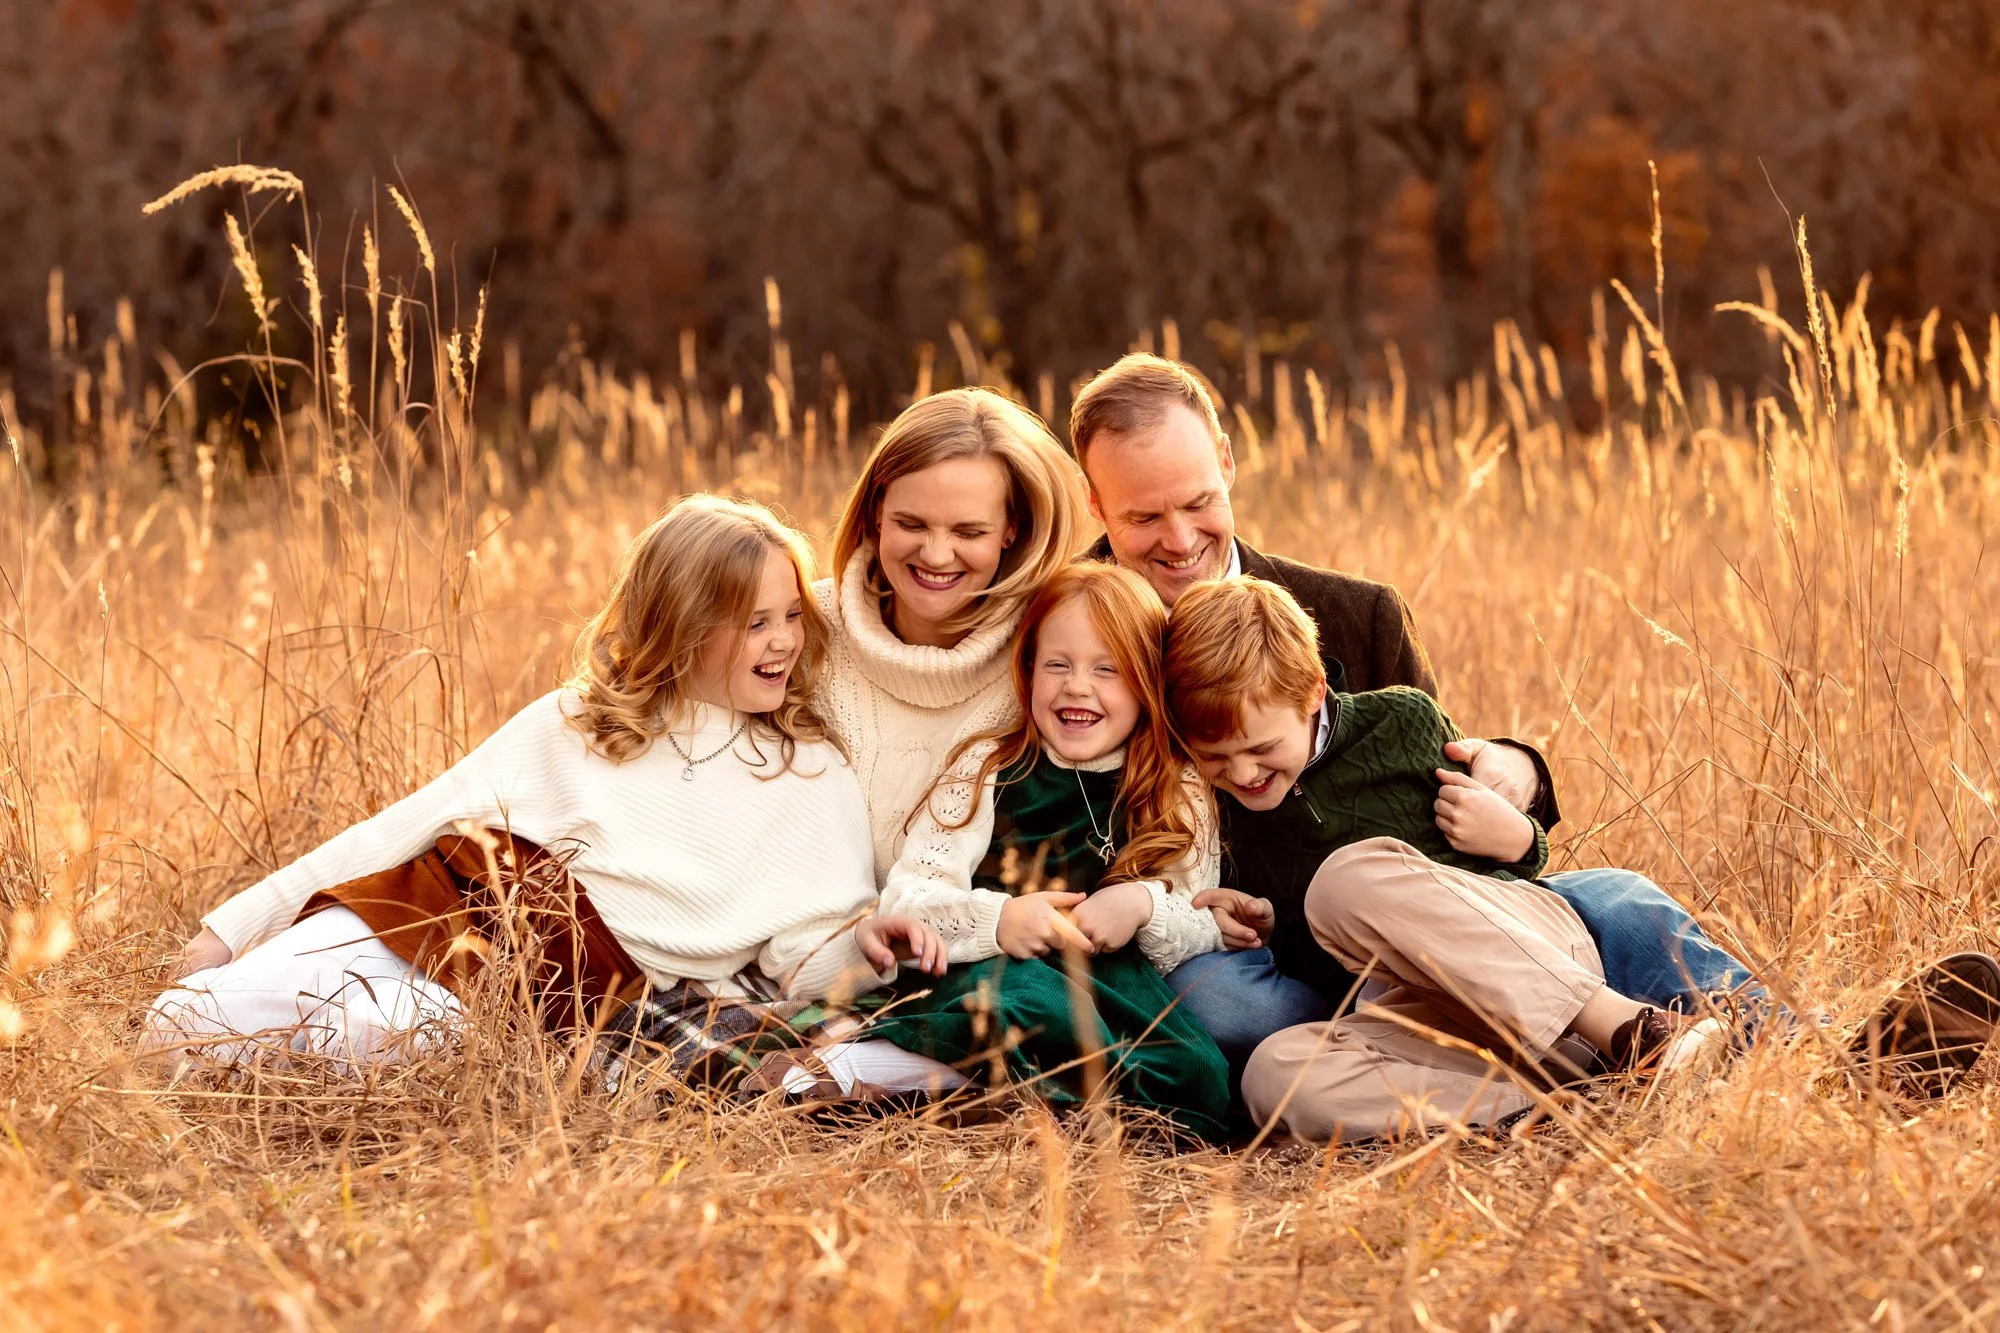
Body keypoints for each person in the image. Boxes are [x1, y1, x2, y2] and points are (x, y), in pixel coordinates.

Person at [1067, 352, 1763, 1067]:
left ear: (1226, 460)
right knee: (1218, 1004)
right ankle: (1551, 1065)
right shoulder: (1067, 646)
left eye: (1197, 503)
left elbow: (1427, 787)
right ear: (1095, 502)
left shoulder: (1355, 613)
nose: (1180, 539)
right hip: (1266, 971)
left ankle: (1787, 1043)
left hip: (1415, 936)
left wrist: (1517, 770)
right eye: (1144, 516)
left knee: (1616, 899)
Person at [146, 495, 961, 1099]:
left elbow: (803, 953)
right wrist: (231, 927)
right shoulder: (580, 718)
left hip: (557, 989)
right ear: (682, 626)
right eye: (754, 623)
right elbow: (409, 822)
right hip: (435, 905)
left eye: (790, 615)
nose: (783, 640)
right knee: (182, 1024)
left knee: (410, 1037)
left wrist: (868, 944)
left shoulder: (810, 772)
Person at [1164, 577, 2000, 1141]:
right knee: (1275, 1074)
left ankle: (1650, 1035)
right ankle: (1594, 1104)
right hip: (1425, 1022)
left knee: (1346, 880)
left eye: (1260, 749)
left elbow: (1504, 867)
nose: (1242, 773)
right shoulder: (1215, 813)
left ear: (1313, 694)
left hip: (1534, 962)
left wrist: (1517, 835)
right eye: (1217, 759)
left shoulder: (1399, 723)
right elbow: (1306, 963)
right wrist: (1253, 921)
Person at [866, 563, 1232, 1138]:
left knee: (1200, 1074)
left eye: (1108, 669)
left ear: (1147, 682)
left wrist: (1142, 906)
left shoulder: (1173, 784)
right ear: (1028, 670)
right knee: (1032, 1008)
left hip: (1113, 981)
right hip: (999, 967)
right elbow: (910, 898)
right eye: (1057, 665)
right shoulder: (989, 767)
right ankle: (887, 1073)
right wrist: (999, 920)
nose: (1077, 686)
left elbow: (1203, 918)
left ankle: (1047, 1107)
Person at [814, 387, 1086, 884]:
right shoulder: (800, 626)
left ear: (1011, 528)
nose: (937, 555)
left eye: (969, 532)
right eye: (911, 524)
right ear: (876, 511)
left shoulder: (1056, 655)